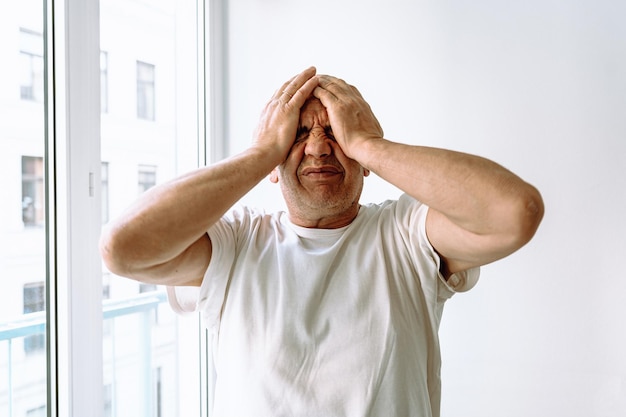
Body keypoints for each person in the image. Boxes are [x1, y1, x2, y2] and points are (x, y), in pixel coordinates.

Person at [99, 66, 544, 417]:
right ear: (272, 162)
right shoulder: (236, 244)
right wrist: (259, 154)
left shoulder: (405, 236)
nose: (317, 148)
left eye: (334, 132)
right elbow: (122, 247)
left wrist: (369, 144)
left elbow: (514, 212)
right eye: (297, 135)